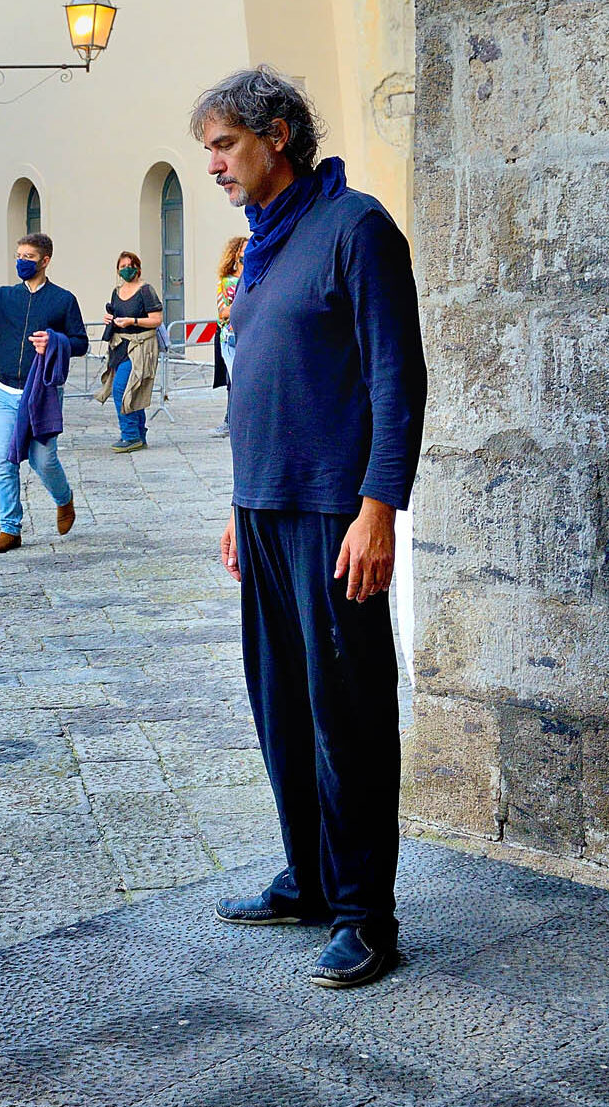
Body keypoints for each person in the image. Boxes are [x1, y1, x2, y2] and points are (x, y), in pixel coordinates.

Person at [194, 67, 425, 989]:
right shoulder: (264, 243)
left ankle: (367, 915)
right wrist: (238, 504)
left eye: (225, 145)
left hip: (335, 513)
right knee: (282, 710)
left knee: (350, 717)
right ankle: (314, 878)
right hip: (265, 510)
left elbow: (396, 378)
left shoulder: (355, 229)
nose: (212, 163)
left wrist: (380, 509)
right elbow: (266, 381)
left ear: (278, 133)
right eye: (208, 147)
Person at [0, 233, 87, 554]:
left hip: (41, 392)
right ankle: (10, 528)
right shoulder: (3, 297)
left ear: (45, 260)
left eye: (28, 257)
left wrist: (55, 340)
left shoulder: (63, 300)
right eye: (18, 255)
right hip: (4, 390)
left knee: (43, 460)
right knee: (4, 462)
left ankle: (63, 499)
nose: (21, 261)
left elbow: (80, 342)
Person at [98, 251, 164, 452]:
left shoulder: (146, 290)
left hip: (140, 346)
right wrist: (109, 319)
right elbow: (115, 312)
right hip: (119, 345)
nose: (127, 269)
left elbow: (156, 319)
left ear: (138, 267)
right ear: (117, 270)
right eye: (122, 266)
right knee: (133, 388)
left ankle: (129, 435)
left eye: (130, 264)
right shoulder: (116, 291)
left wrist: (132, 321)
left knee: (121, 388)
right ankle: (139, 434)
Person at [210, 236, 247, 438]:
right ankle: (230, 420)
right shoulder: (226, 282)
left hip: (249, 335)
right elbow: (223, 312)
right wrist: (245, 305)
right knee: (235, 380)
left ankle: (236, 419)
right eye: (242, 252)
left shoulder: (255, 276)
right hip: (231, 338)